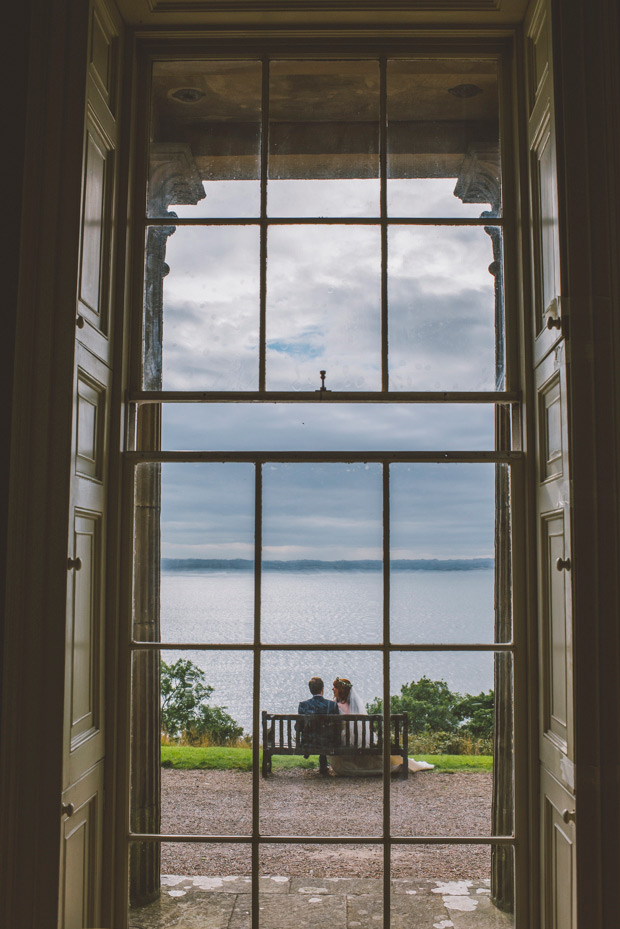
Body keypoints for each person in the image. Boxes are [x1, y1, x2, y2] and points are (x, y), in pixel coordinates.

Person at [328, 677, 435, 776]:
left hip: (346, 740)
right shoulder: (355, 706)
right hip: (361, 739)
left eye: (335, 687)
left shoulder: (336, 705)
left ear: (340, 690)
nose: (333, 689)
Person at [297, 676, 340, 775]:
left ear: (310, 690)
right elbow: (337, 727)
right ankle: (323, 766)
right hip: (328, 742)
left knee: (314, 735)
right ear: (322, 689)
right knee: (325, 734)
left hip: (309, 743)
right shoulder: (332, 705)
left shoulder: (303, 705)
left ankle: (320, 763)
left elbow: (299, 727)